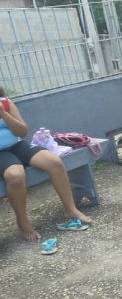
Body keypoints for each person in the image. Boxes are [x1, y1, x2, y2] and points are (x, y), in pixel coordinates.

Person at [0, 88, 93, 241]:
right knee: (15, 175)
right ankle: (23, 221)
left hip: (16, 145)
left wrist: (4, 113)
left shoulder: (5, 103)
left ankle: (70, 209)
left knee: (54, 162)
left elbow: (22, 132)